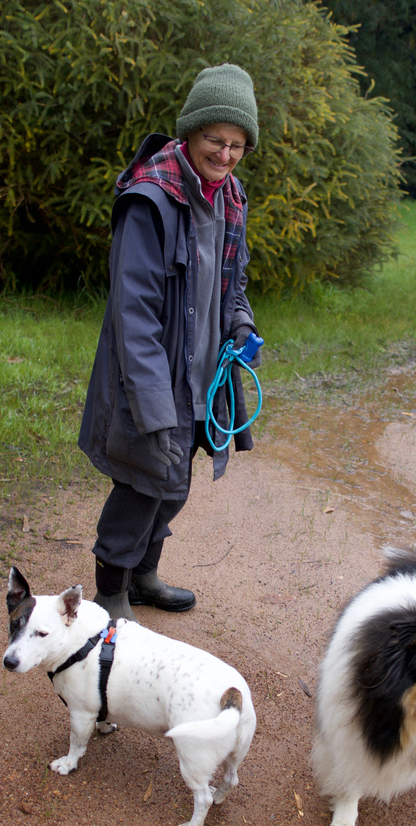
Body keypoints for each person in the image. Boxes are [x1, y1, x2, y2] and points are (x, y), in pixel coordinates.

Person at [78, 63, 262, 622]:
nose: (225, 154)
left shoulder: (229, 197)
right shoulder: (149, 201)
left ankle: (143, 576)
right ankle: (110, 592)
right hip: (150, 377)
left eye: (237, 145)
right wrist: (155, 411)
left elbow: (236, 284)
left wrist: (241, 324)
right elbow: (133, 317)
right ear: (190, 133)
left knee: (175, 483)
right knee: (141, 483)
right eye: (214, 139)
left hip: (204, 373)